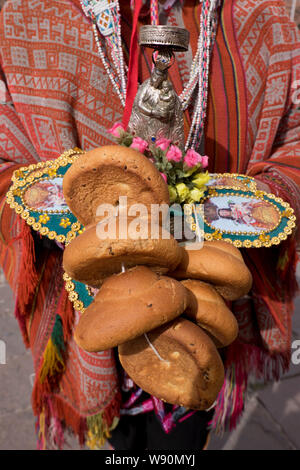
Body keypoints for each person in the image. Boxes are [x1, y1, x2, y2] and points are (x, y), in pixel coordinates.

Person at [0, 0, 299, 450]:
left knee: (183, 426)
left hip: (205, 301)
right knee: (120, 435)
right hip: (86, 296)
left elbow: (293, 132)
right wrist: (52, 203)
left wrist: (241, 206)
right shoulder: (35, 13)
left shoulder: (255, 14)